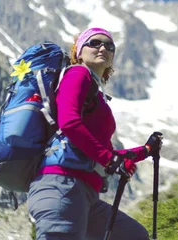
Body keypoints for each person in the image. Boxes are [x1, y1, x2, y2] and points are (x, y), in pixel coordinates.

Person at [27, 27, 162, 240]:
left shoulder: (95, 93)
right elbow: (69, 123)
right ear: (79, 51)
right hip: (62, 186)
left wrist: (144, 151)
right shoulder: (78, 73)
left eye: (109, 46)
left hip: (84, 194)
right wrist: (110, 160)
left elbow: (102, 150)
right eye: (94, 43)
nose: (103, 48)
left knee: (133, 235)